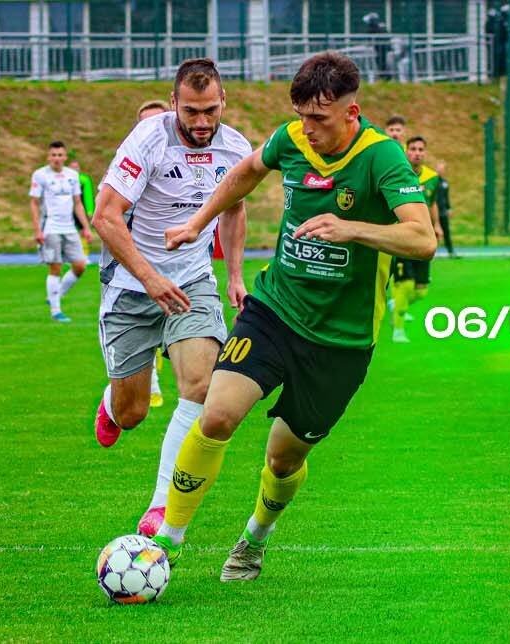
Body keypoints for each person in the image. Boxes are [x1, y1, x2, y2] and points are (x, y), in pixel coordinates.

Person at [154, 51, 437, 581]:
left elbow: (423, 239)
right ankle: (166, 541)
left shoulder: (383, 158)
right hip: (274, 310)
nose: (308, 129)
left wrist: (353, 229)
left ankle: (254, 538)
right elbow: (245, 173)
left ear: (351, 113)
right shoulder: (291, 139)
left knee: (283, 459)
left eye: (319, 119)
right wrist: (198, 223)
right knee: (217, 415)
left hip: (341, 341)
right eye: (302, 116)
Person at [89, 60, 252, 541]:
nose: (202, 122)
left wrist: (234, 275)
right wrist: (150, 278)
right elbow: (105, 216)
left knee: (201, 387)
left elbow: (234, 208)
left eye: (210, 111)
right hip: (131, 284)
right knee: (134, 412)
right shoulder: (148, 140)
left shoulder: (235, 148)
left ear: (223, 102)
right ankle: (112, 404)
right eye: (191, 112)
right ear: (174, 103)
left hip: (192, 281)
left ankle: (160, 505)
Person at [127, 99, 173, 410]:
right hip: (138, 261)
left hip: (181, 260)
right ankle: (151, 382)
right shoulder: (129, 165)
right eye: (145, 124)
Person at [29, 141, 92, 323]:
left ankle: (56, 295)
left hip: (70, 227)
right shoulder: (40, 175)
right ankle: (56, 311)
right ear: (48, 157)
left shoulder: (72, 175)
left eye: (60, 155)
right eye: (53, 155)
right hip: (50, 227)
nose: (56, 158)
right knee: (55, 267)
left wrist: (86, 227)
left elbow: (78, 203)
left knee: (80, 265)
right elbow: (34, 203)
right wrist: (37, 230)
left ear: (65, 157)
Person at [391, 135, 442, 343]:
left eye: (421, 149)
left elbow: (432, 204)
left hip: (422, 239)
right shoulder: (396, 174)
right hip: (401, 239)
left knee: (421, 291)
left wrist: (436, 225)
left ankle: (396, 304)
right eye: (413, 149)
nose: (417, 153)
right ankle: (398, 330)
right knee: (405, 285)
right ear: (406, 151)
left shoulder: (432, 178)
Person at [68, 159, 94, 257]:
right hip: (68, 210)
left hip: (80, 211)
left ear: (79, 168)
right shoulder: (65, 179)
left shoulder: (84, 179)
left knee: (84, 232)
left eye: (76, 167)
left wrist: (90, 210)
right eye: (72, 167)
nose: (74, 169)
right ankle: (71, 256)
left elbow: (88, 196)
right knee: (70, 233)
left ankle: (84, 255)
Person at [434, 161, 455, 257]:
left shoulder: (445, 183)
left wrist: (449, 208)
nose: (440, 170)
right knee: (433, 232)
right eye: (439, 168)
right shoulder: (433, 181)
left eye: (442, 168)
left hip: (443, 212)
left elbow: (446, 197)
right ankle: (432, 251)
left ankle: (451, 252)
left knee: (446, 232)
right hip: (434, 211)